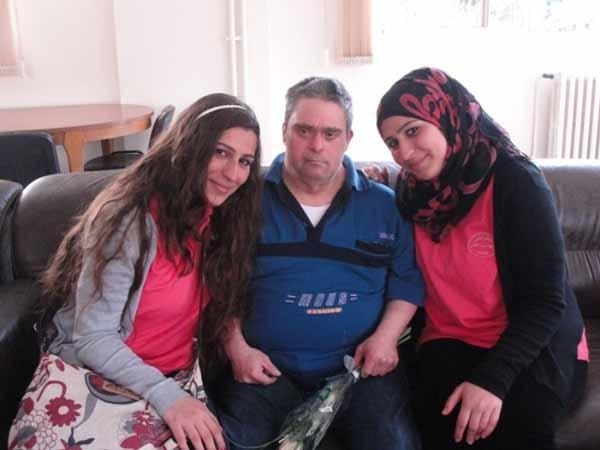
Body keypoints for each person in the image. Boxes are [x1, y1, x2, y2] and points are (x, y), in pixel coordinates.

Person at [8, 93, 263, 450]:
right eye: (220, 152)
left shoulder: (224, 220)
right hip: (102, 379)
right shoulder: (128, 221)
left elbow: (221, 299)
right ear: (190, 147)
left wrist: (237, 347)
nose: (233, 174)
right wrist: (167, 395)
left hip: (175, 382)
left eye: (245, 161)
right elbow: (93, 338)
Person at [371, 67, 589, 450]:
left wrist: (493, 381)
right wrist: (379, 182)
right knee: (438, 428)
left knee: (516, 426)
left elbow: (544, 302)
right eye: (392, 142)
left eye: (413, 131)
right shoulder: (411, 192)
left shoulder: (516, 182)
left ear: (447, 117)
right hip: (450, 336)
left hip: (529, 341)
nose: (403, 153)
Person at [210, 77, 424, 450]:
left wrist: (386, 338)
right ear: (284, 132)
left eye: (330, 133)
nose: (316, 145)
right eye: (304, 130)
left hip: (360, 372)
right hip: (264, 371)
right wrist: (237, 349)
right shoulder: (244, 200)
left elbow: (407, 282)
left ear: (348, 139)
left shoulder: (385, 206)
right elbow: (218, 283)